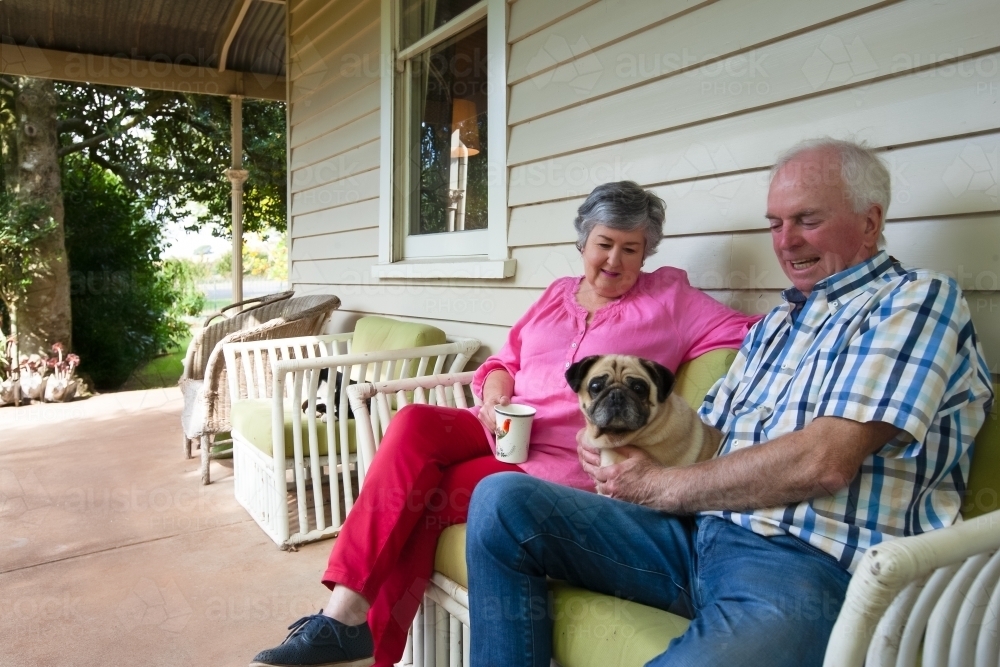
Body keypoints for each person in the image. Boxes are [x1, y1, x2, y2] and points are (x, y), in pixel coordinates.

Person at [466, 139, 995, 667]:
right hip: (694, 533)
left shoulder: (915, 300)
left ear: (869, 221)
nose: (785, 242)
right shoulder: (773, 327)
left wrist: (662, 486)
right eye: (775, 224)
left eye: (806, 220)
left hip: (801, 564)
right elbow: (709, 438)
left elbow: (825, 461)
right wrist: (621, 454)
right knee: (502, 501)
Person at [249, 181, 759, 667]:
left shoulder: (671, 301)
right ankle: (347, 617)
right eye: (604, 244)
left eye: (632, 248)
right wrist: (494, 397)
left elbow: (758, 333)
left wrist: (676, 410)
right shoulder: (557, 295)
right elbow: (505, 361)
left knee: (428, 495)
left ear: (648, 252)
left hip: (557, 459)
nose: (614, 261)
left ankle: (355, 627)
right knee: (412, 422)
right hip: (500, 426)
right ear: (583, 241)